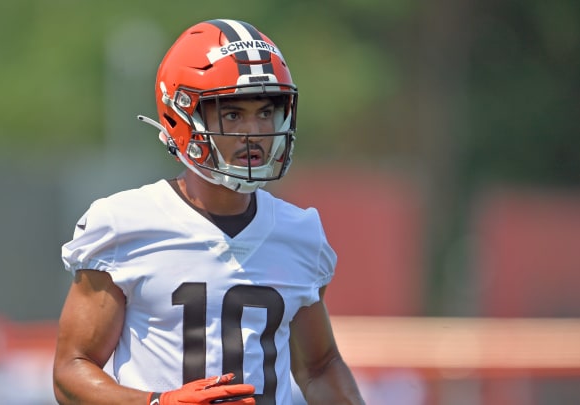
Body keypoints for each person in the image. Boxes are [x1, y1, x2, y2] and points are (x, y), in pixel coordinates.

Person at [53, 18, 365, 405]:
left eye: (266, 112)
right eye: (233, 115)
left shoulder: (299, 233)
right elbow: (71, 371)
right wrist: (156, 402)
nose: (255, 131)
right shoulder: (125, 224)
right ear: (181, 117)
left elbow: (319, 367)